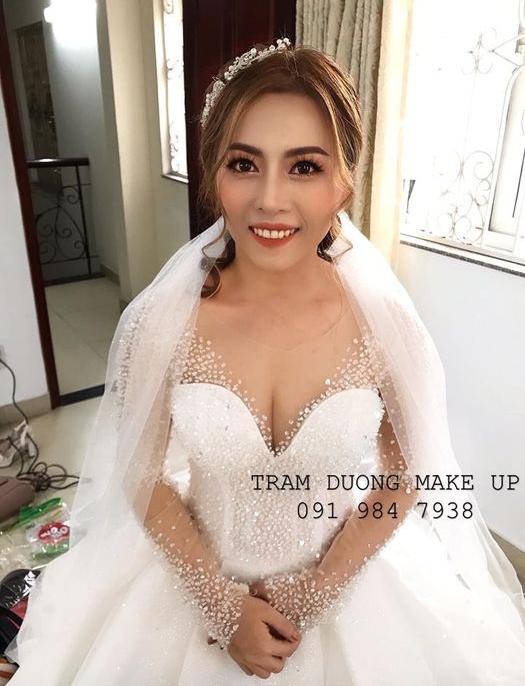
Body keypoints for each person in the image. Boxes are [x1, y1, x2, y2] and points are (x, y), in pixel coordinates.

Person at [5, 38, 525, 685]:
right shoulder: (160, 323)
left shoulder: (386, 324)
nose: (270, 199)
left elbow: (403, 475)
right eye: (244, 163)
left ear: (344, 180)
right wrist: (221, 607)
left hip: (352, 589)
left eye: (304, 166)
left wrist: (315, 593)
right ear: (213, 173)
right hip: (189, 584)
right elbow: (141, 475)